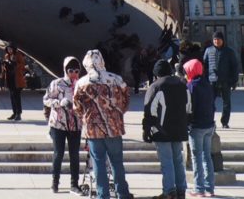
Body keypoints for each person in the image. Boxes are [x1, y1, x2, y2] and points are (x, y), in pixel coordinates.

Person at [73, 49, 132, 199]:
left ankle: (102, 195)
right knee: (117, 162)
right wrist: (117, 115)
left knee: (98, 163)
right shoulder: (116, 79)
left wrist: (87, 118)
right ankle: (123, 193)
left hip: (93, 130)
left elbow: (76, 107)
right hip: (114, 128)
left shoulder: (82, 83)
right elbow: (126, 100)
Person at [143, 59, 188, 199]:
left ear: (156, 73)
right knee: (178, 160)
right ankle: (181, 191)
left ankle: (169, 191)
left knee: (167, 162)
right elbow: (189, 107)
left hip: (161, 130)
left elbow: (150, 110)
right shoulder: (182, 84)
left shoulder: (156, 86)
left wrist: (146, 129)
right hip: (179, 129)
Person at [44, 56, 84, 194]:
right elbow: (46, 99)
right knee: (58, 154)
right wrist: (58, 103)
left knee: (75, 155)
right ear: (65, 70)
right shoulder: (57, 83)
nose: (74, 73)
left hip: (76, 125)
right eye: (71, 70)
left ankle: (74, 184)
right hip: (58, 124)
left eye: (77, 70)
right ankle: (55, 182)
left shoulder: (82, 84)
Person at [184, 58, 216, 197]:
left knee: (197, 157)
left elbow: (190, 107)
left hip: (196, 126)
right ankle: (210, 188)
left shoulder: (191, 86)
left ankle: (199, 188)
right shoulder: (207, 84)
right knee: (207, 157)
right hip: (209, 124)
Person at [202, 31, 239, 129]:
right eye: (214, 39)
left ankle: (224, 122)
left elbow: (234, 67)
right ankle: (210, 121)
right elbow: (204, 65)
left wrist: (234, 81)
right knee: (210, 103)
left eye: (218, 39)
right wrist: (204, 79)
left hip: (225, 81)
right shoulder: (208, 50)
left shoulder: (229, 51)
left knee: (226, 103)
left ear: (222, 40)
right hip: (211, 81)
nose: (216, 41)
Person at [2, 43, 27, 121]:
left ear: (13, 49)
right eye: (8, 49)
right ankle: (14, 112)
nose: (9, 50)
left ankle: (18, 113)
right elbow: (5, 68)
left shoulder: (18, 55)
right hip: (10, 79)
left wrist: (14, 64)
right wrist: (5, 65)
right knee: (12, 97)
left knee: (17, 97)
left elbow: (22, 65)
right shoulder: (7, 56)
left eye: (10, 49)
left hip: (17, 79)